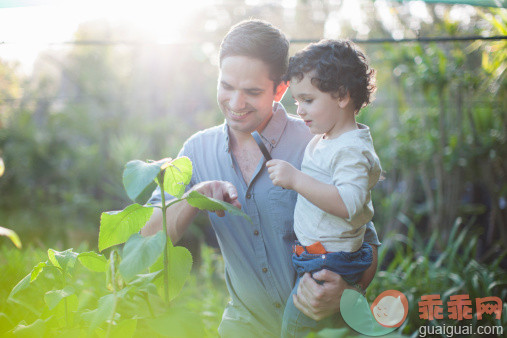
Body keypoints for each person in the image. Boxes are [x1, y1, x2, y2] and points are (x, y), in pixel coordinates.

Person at [140, 20, 381, 337]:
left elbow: (367, 244)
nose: (236, 103)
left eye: (252, 92)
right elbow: (146, 239)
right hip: (244, 326)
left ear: (280, 89)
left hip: (323, 326)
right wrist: (193, 199)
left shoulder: (319, 142)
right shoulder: (197, 152)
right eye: (226, 86)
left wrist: (344, 292)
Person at [266, 39, 381, 337]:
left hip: (328, 262)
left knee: (296, 325)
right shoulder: (328, 138)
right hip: (321, 254)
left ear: (342, 95)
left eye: (308, 100)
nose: (300, 110)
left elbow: (348, 203)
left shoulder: (350, 149)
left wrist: (295, 180)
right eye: (296, 102)